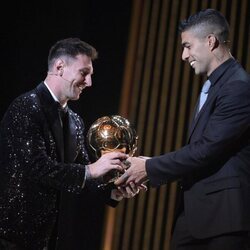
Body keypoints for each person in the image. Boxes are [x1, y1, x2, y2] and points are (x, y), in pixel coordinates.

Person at [115, 9, 250, 250]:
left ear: (210, 41)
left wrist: (149, 167)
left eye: (188, 46)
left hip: (224, 221)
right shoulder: (215, 85)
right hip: (196, 218)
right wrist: (149, 164)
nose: (183, 55)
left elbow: (206, 150)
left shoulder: (237, 87)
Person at [0, 38, 142, 250]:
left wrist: (112, 191)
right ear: (59, 67)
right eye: (84, 73)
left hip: (50, 241)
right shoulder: (25, 107)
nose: (89, 82)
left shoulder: (75, 121)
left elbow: (79, 176)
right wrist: (91, 170)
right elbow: (38, 168)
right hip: (10, 239)